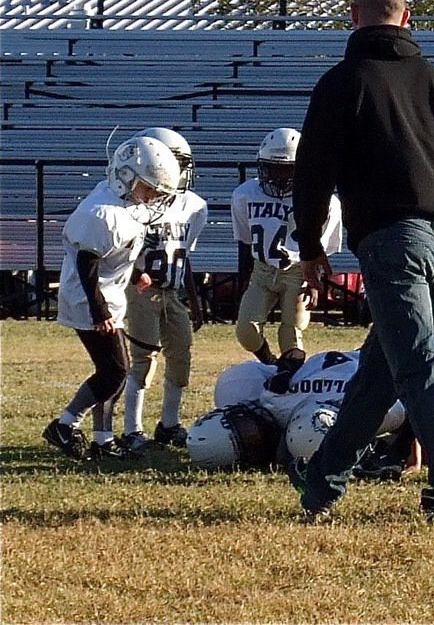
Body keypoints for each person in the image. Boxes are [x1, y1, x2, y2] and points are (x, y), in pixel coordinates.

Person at [289, 0, 434, 525]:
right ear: (407, 17)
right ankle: (321, 487)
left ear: (354, 16)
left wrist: (310, 246)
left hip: (390, 244)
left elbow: (310, 175)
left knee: (420, 372)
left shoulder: (340, 82)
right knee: (379, 375)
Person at [43, 136, 181, 460]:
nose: (152, 197)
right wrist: (99, 311)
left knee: (114, 369)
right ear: (125, 176)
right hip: (88, 298)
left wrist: (134, 274)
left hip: (105, 295)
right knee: (116, 371)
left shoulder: (124, 207)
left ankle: (102, 440)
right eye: (148, 189)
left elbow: (112, 254)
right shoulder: (103, 211)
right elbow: (87, 262)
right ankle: (65, 424)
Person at [119, 128, 208, 455]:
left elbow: (184, 255)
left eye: (182, 164)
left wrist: (194, 299)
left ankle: (169, 424)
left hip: (173, 292)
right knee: (143, 360)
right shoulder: (136, 201)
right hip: (141, 291)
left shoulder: (194, 206)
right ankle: (132, 429)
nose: (180, 172)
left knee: (181, 358)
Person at [188, 350, 413, 476]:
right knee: (234, 386)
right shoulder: (280, 404)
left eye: (248, 431)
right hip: (362, 361)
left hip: (366, 362)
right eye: (249, 437)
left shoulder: (280, 404)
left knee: (234, 386)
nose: (259, 430)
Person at [232, 127, 343, 366]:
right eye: (274, 168)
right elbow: (246, 241)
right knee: (246, 331)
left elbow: (319, 250)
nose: (280, 176)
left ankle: (289, 375)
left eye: (287, 169)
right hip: (262, 271)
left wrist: (315, 280)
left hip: (298, 270)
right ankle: (271, 364)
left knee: (291, 333)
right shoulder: (245, 194)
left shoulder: (323, 200)